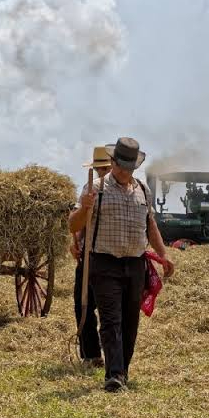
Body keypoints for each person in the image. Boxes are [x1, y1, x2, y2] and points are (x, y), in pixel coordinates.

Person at [71, 137, 174, 392]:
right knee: (110, 319)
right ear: (113, 162)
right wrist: (84, 209)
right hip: (104, 263)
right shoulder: (95, 189)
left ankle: (123, 371)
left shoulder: (142, 190)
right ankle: (114, 375)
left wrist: (164, 255)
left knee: (130, 321)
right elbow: (73, 225)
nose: (123, 171)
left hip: (136, 264)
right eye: (120, 166)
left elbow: (151, 226)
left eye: (129, 167)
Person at [68, 147, 112, 367]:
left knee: (109, 310)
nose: (101, 172)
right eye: (98, 168)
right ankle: (91, 354)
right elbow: (76, 219)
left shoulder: (125, 190)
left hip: (112, 257)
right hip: (89, 257)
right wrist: (75, 241)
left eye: (104, 168)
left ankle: (113, 354)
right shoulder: (89, 188)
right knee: (82, 304)